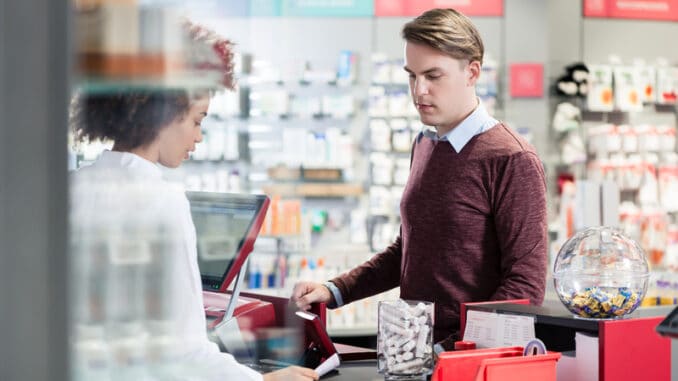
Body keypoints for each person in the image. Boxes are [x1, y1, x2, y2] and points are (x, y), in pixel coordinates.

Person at [292, 8, 547, 351]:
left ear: (472, 72)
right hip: (413, 354)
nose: (419, 90)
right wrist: (335, 290)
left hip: (466, 363)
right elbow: (409, 250)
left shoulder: (511, 158)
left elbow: (524, 286)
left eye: (433, 75)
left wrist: (452, 351)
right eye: (411, 76)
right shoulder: (426, 143)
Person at [70, 87, 319, 381]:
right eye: (197, 121)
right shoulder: (162, 201)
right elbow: (185, 353)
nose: (199, 137)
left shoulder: (72, 185)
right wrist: (265, 380)